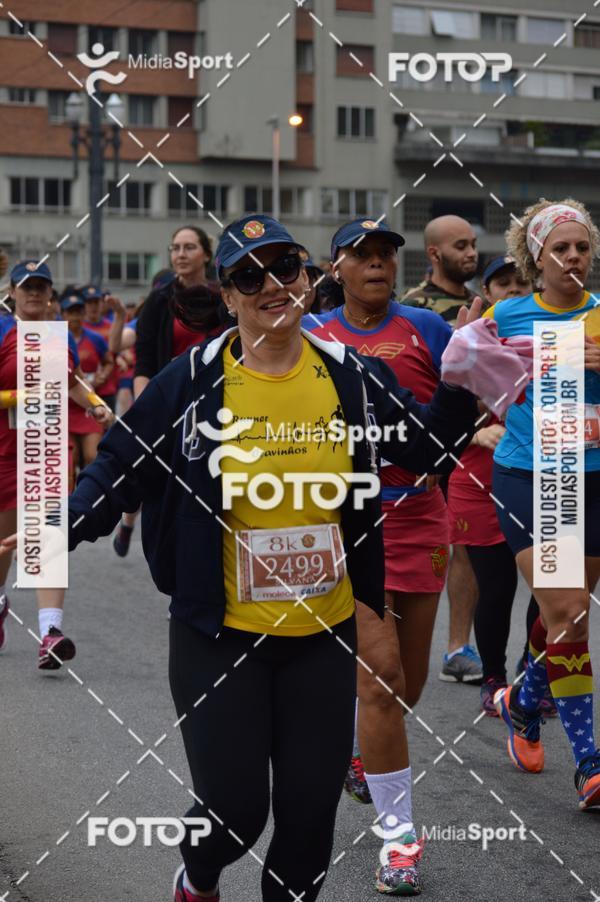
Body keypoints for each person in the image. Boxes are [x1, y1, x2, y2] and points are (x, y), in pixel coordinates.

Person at [1, 216, 481, 901]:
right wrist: (59, 524)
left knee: (310, 820)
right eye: (248, 276)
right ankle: (197, 877)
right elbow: (118, 468)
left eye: (285, 266)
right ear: (228, 296)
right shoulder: (191, 381)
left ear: (308, 278)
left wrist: (464, 380)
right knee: (234, 814)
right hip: (217, 635)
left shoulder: (350, 379)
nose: (271, 285)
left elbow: (427, 453)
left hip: (323, 633)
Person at [305, 217, 459, 894]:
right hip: (346, 523)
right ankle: (400, 842)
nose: (376, 265)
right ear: (336, 268)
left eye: (385, 255)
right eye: (361, 256)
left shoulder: (430, 330)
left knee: (406, 686)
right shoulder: (313, 337)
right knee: (380, 677)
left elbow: (463, 405)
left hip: (419, 517)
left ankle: (365, 752)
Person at [486, 199, 600, 809]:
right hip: (532, 475)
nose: (573, 257)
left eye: (582, 246)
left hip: (594, 476)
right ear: (535, 256)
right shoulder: (506, 315)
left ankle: (522, 703)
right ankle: (589, 762)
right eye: (561, 247)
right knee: (573, 611)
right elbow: (465, 378)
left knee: (563, 619)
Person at [0, 261, 111, 666]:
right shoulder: (2, 330)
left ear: (50, 293)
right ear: (11, 292)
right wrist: (19, 398)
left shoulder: (55, 337)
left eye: (41, 286)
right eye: (26, 286)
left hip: (45, 448)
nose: (33, 293)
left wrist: (96, 405)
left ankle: (50, 632)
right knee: (4, 545)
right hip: (3, 452)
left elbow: (73, 380)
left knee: (46, 536)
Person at [446, 255, 541, 715]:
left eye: (523, 281)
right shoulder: (468, 341)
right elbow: (435, 416)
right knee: (497, 588)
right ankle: (494, 679)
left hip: (543, 477)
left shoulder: (560, 336)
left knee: (549, 587)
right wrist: (474, 433)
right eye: (503, 282)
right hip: (477, 480)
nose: (515, 289)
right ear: (486, 292)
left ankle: (533, 673)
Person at [402, 215, 483, 684]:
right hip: (434, 446)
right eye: (460, 245)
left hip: (487, 443)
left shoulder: (487, 304)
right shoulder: (415, 310)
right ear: (434, 254)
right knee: (444, 547)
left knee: (473, 549)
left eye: (473, 244)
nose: (471, 253)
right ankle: (440, 648)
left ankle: (468, 648)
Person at [111, 227, 223, 557]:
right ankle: (134, 525)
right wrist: (148, 407)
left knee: (210, 488)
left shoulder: (226, 297)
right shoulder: (160, 301)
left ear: (206, 253)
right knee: (156, 479)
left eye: (189, 247)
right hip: (169, 404)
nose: (181, 254)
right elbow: (143, 362)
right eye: (175, 248)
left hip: (219, 406)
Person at [62, 293, 113, 483]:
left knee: (92, 455)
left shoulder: (94, 338)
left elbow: (108, 361)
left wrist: (102, 377)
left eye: (78, 312)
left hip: (85, 400)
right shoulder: (53, 336)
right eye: (70, 312)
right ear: (62, 314)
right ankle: (72, 499)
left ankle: (88, 497)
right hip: (63, 406)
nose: (74, 317)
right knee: (70, 459)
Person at [81, 285, 118, 411]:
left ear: (102, 303)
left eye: (96, 302)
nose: (93, 306)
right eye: (89, 302)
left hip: (107, 387)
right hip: (82, 391)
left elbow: (117, 351)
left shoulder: (111, 326)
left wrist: (103, 376)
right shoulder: (77, 329)